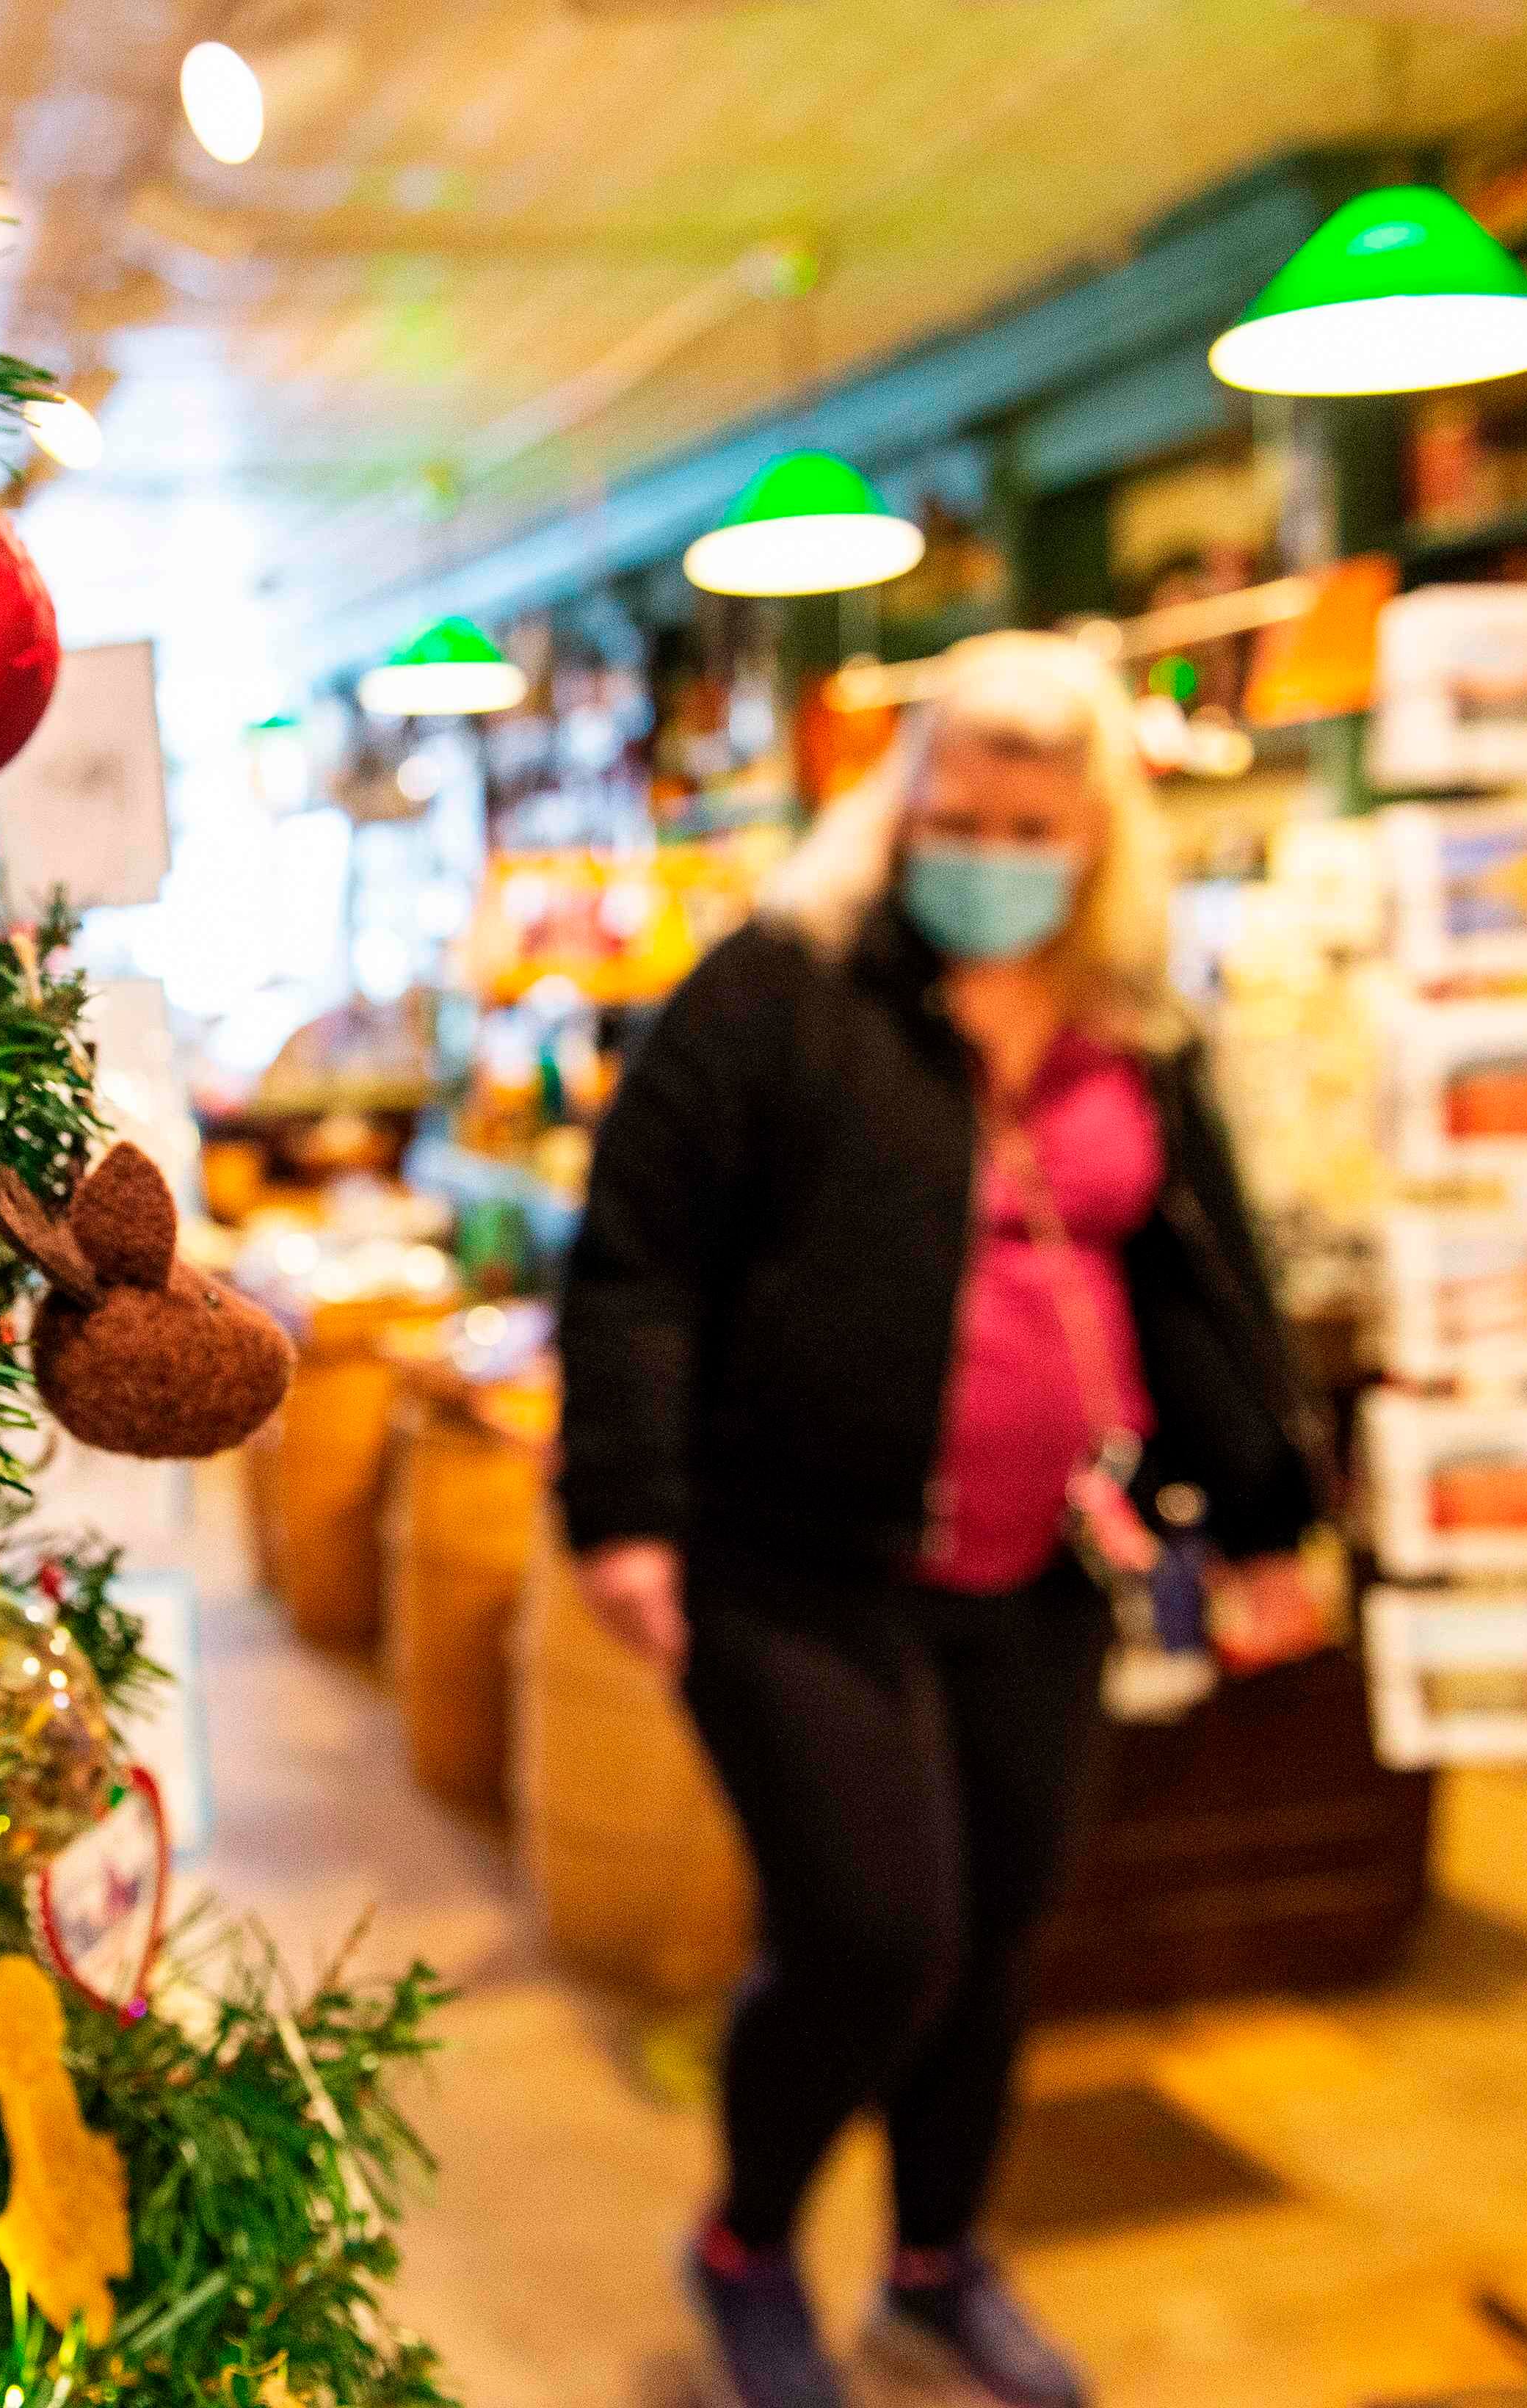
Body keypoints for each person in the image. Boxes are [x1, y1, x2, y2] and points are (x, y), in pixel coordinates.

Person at [556, 629, 1330, 2408]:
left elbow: (1205, 1282)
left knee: (996, 1933)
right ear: (899, 810)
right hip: (792, 1558)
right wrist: (626, 1507)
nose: (988, 850)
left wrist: (1271, 1514)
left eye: (1029, 822)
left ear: (1095, 836)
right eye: (954, 813)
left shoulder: (1134, 1025)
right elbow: (637, 1262)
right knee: (871, 1926)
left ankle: (935, 2259)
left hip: (1041, 1568)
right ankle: (746, 2239)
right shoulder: (781, 988)